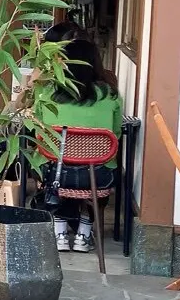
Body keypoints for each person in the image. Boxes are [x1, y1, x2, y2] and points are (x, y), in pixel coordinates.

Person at [35, 38, 123, 254]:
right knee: (96, 175)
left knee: (53, 166)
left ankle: (60, 232)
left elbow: (37, 132)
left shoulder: (47, 93)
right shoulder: (110, 95)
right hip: (98, 176)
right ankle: (84, 234)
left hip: (54, 175)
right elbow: (117, 133)